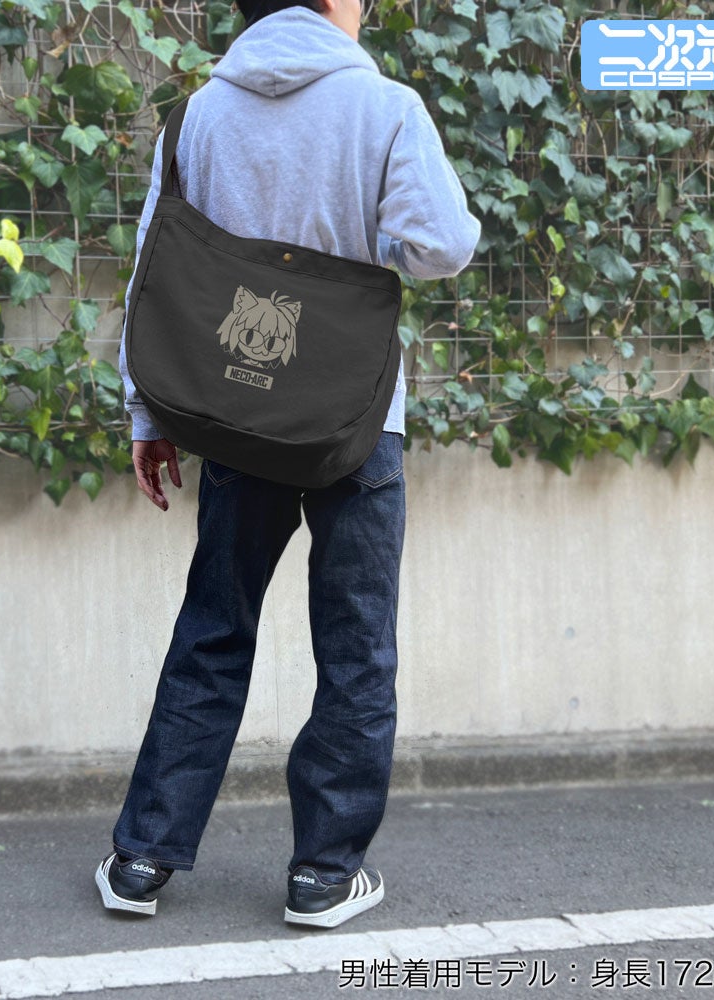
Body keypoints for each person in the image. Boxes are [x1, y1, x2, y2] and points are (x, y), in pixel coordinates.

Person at [96, 0, 480, 928]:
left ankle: (142, 859)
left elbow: (155, 269)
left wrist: (148, 411)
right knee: (356, 646)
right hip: (355, 419)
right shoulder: (386, 109)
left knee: (214, 629)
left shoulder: (198, 116)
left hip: (239, 418)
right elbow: (442, 245)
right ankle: (324, 875)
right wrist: (363, 240)